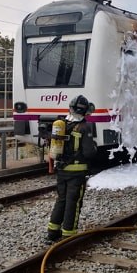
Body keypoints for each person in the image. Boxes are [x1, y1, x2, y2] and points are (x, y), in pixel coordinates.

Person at [46, 95, 97, 241]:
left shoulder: (61, 124)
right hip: (77, 173)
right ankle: (69, 235)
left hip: (61, 170)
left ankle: (52, 232)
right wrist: (94, 147)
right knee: (73, 202)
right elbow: (89, 152)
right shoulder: (84, 127)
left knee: (61, 199)